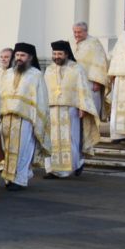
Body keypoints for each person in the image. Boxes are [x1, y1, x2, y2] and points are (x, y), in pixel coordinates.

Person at [0, 44, 50, 190]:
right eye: (17, 55)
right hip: (7, 117)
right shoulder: (7, 74)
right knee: (7, 148)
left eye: (22, 56)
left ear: (30, 58)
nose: (19, 58)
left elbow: (41, 99)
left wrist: (37, 120)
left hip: (26, 118)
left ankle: (19, 179)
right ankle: (9, 178)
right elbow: (0, 93)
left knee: (23, 149)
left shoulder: (36, 75)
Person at [44, 41, 99, 177]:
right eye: (54, 54)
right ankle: (52, 169)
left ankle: (75, 164)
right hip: (51, 108)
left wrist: (83, 107)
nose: (57, 56)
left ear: (66, 54)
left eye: (60, 54)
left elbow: (83, 89)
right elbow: (44, 89)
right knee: (52, 139)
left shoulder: (76, 68)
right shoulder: (49, 69)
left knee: (70, 139)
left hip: (70, 109)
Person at [71, 22, 110, 119]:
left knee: (90, 107)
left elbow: (101, 63)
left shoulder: (94, 42)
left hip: (90, 82)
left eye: (79, 32)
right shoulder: (71, 41)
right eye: (74, 32)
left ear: (86, 31)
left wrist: (98, 82)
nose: (76, 35)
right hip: (74, 81)